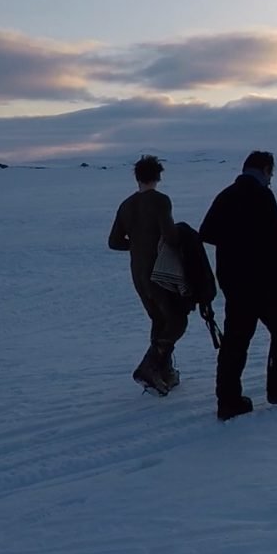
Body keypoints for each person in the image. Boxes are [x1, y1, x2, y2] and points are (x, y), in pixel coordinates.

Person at [199, 151, 277, 420]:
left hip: (233, 282)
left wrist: (234, 242)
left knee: (236, 341)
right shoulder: (262, 196)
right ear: (265, 169)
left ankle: (228, 401)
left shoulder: (226, 195)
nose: (271, 180)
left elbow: (207, 232)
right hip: (265, 282)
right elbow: (276, 243)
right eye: (271, 173)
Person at [108, 154, 188, 395]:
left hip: (138, 274)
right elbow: (171, 236)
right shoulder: (160, 201)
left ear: (137, 177)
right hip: (160, 272)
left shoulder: (126, 205)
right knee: (177, 319)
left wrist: (136, 245)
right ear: (158, 176)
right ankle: (150, 366)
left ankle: (164, 373)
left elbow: (114, 242)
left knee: (159, 320)